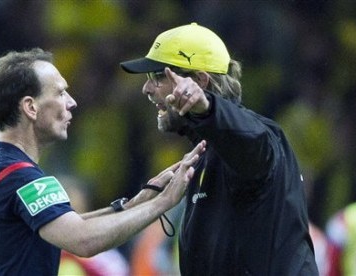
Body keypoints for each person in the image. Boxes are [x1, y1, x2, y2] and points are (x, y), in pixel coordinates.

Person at [0, 48, 206, 275]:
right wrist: (165, 202)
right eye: (61, 92)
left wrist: (137, 202)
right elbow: (82, 241)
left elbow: (68, 223)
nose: (72, 102)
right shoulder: (18, 174)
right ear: (30, 107)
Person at [120, 22, 318, 275]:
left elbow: (250, 140)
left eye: (158, 76)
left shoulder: (260, 138)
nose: (146, 88)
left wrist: (208, 107)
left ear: (200, 81)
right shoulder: (206, 154)